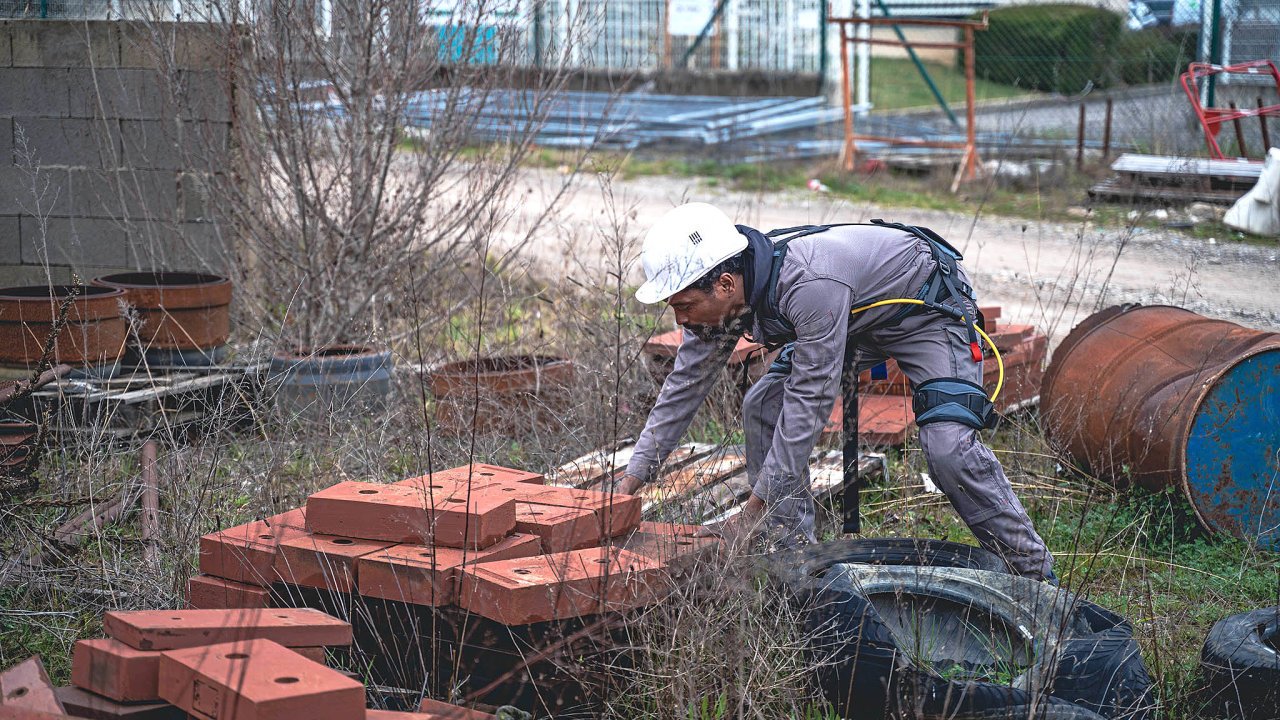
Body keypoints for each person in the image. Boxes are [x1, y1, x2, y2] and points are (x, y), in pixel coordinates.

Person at [614, 202, 1054, 581]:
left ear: (725, 285)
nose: (681, 321)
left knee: (947, 449)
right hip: (852, 320)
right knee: (763, 406)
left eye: (685, 306)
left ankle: (1033, 572)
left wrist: (751, 512)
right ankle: (797, 561)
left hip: (924, 313)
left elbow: (809, 403)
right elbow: (684, 387)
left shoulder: (808, 284)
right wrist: (629, 483)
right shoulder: (720, 298)